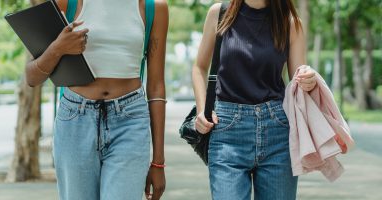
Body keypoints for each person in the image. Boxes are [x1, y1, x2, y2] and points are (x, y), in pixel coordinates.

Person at [25, 0, 168, 199]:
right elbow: (32, 77)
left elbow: (156, 86)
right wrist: (58, 48)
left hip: (130, 122)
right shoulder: (66, 4)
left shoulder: (153, 8)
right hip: (75, 120)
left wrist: (158, 162)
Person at [192, 0, 317, 199]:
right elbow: (199, 68)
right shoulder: (220, 13)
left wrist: (308, 79)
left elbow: (298, 83)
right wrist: (202, 110)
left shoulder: (290, 23)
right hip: (227, 131)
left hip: (277, 130)